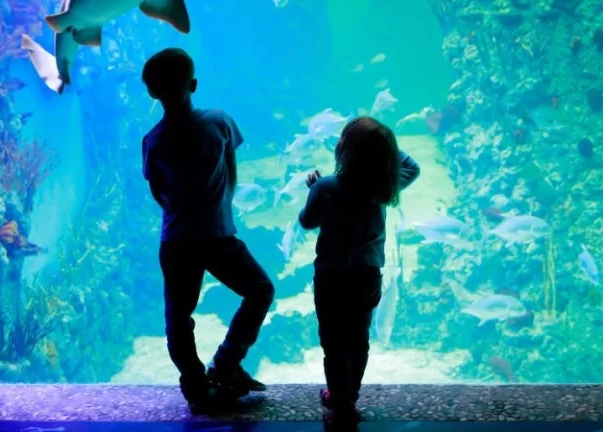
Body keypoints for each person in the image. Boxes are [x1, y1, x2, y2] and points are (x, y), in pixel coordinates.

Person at [140, 48, 275, 414]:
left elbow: (158, 190)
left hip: (177, 240)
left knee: (178, 316)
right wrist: (220, 205)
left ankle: (196, 386)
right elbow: (232, 166)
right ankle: (226, 365)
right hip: (217, 236)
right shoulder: (219, 122)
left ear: (152, 93)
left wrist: (182, 211)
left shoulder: (153, 140)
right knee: (260, 290)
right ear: (194, 84)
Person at [298, 117, 420, 426]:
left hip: (332, 277)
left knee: (333, 341)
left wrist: (314, 190)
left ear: (344, 151)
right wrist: (382, 146)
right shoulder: (383, 185)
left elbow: (307, 221)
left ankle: (338, 398)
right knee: (358, 338)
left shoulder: (326, 185)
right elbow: (413, 167)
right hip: (367, 275)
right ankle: (349, 396)